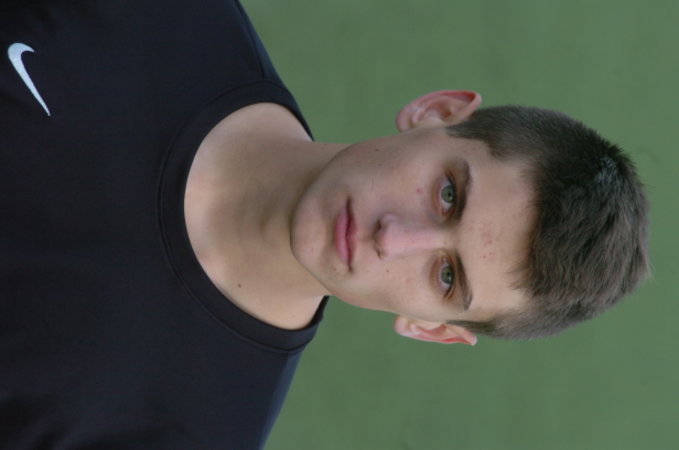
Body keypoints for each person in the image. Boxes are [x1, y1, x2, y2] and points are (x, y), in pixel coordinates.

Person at [0, 0, 648, 448]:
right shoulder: (157, 15)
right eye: (448, 194)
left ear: (430, 327)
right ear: (436, 112)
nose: (393, 239)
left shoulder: (182, 436)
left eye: (446, 276)